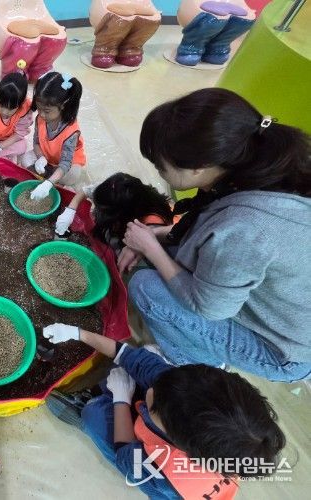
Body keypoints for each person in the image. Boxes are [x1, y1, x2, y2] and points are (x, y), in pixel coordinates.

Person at [122, 88, 311, 382]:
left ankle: (194, 364)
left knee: (146, 287)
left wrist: (151, 248)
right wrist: (154, 235)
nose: (159, 172)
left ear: (198, 168)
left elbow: (207, 306)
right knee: (167, 256)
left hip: (284, 350)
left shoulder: (245, 228)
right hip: (280, 303)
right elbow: (206, 232)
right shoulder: (256, 167)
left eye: (161, 166)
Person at [42, 323, 286, 499]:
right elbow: (135, 360)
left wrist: (121, 401)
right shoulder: (188, 393)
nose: (151, 391)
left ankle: (88, 406)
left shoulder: (165, 472)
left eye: (154, 407)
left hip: (153, 473)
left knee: (94, 415)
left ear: (176, 438)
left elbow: (127, 457)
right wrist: (77, 333)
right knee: (145, 359)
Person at [54, 173, 173, 268]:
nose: (97, 209)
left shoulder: (151, 223)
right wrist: (70, 211)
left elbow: (148, 250)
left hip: (143, 251)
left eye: (104, 210)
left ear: (119, 214)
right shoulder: (115, 189)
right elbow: (85, 192)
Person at [18, 72, 86, 201]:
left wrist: (48, 183)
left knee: (73, 175)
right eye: (39, 109)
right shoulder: (41, 119)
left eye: (47, 111)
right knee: (26, 159)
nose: (42, 114)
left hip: (66, 162)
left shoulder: (71, 131)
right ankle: (51, 177)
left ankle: (50, 179)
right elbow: (36, 142)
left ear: (63, 105)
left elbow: (66, 163)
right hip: (47, 156)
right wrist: (41, 157)